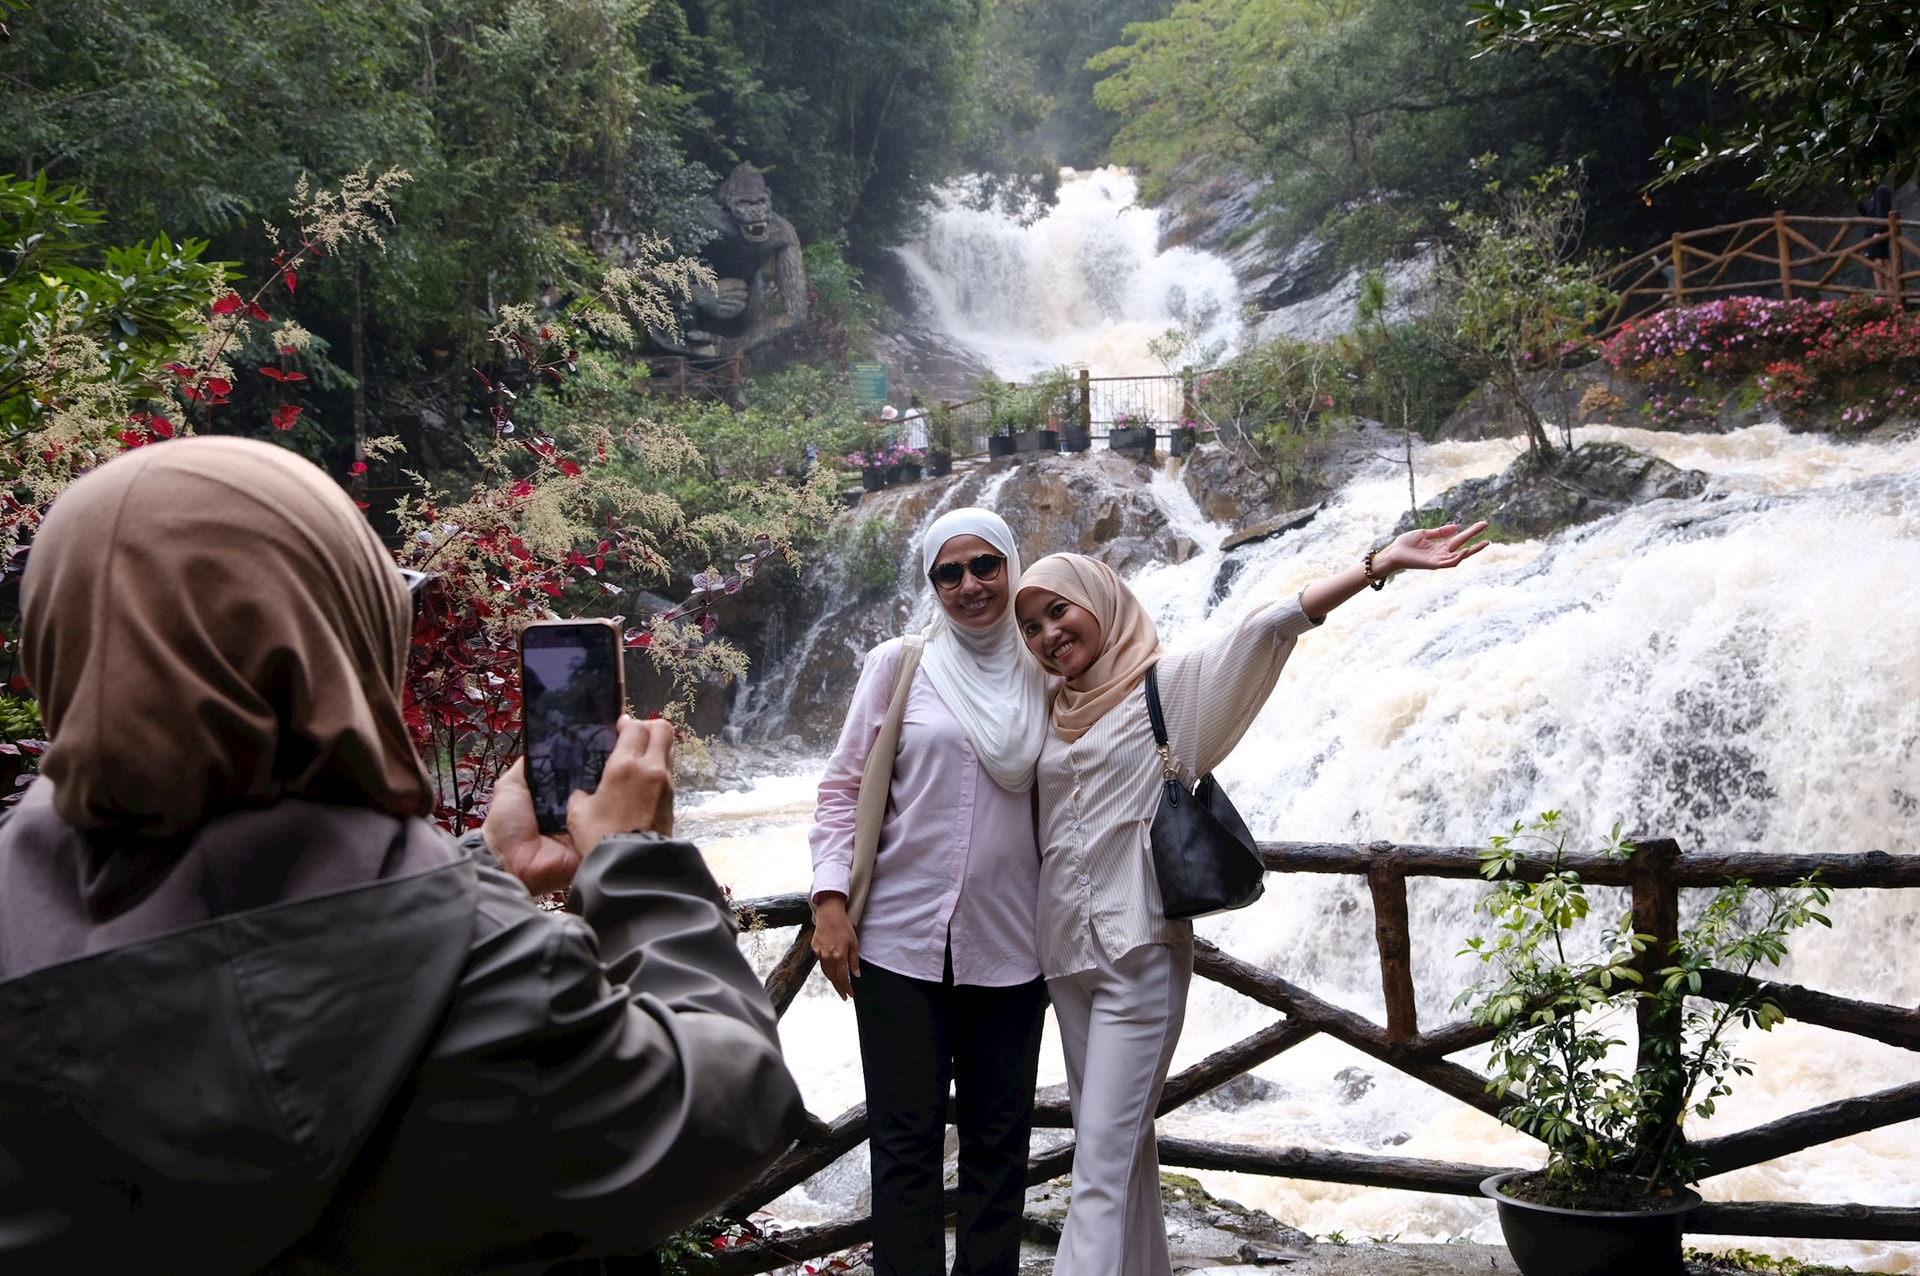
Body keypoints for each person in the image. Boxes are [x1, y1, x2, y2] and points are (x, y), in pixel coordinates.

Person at [0, 437, 806, 1274]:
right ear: (340, 637)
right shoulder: (481, 972)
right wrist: (636, 860)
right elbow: (734, 1108)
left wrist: (482, 868)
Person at [1012, 524, 1488, 1276]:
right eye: (1030, 624)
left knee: (1097, 1167)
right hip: (1064, 955)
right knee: (1124, 1151)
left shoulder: (1168, 688)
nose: (1046, 633)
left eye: (1059, 611)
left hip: (1139, 953)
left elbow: (1267, 626)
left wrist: (1376, 565)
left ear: (1101, 602)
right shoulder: (1043, 706)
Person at [808, 508, 1052, 1276]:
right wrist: (828, 903)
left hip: (1016, 949)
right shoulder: (900, 664)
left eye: (986, 566)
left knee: (998, 1147)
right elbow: (844, 789)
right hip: (898, 945)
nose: (971, 585)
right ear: (932, 584)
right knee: (905, 1146)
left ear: (1013, 567)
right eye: (949, 573)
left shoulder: (1048, 668)